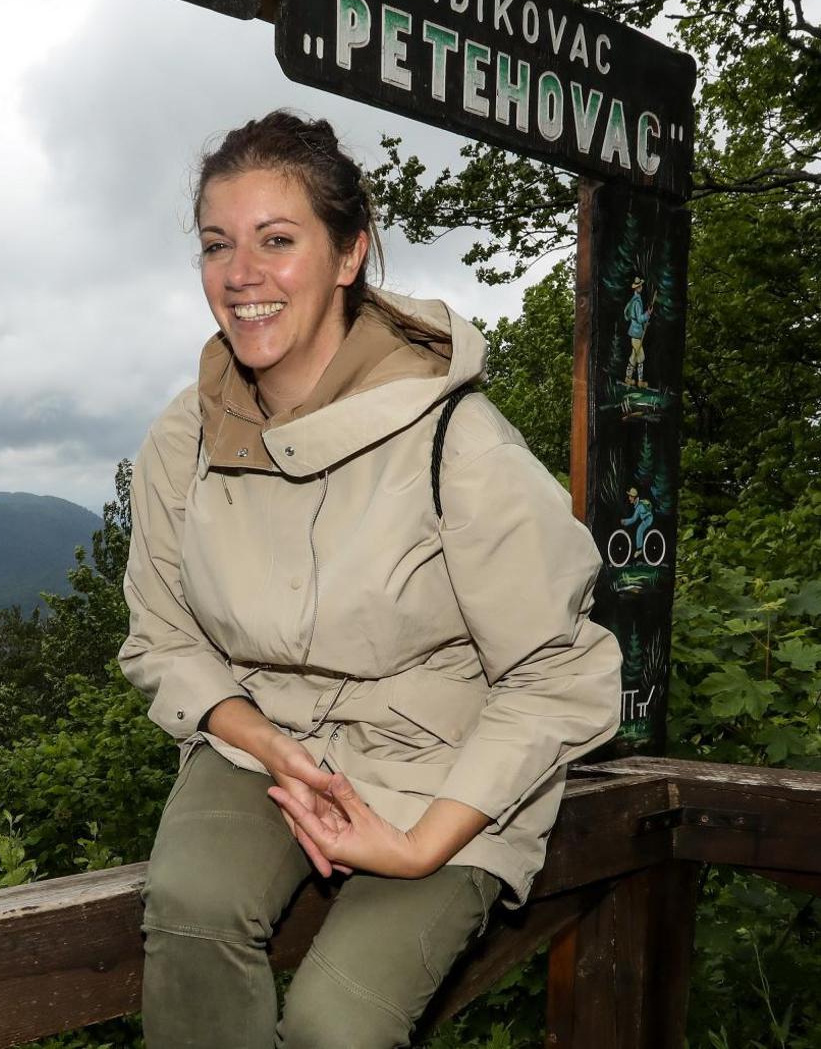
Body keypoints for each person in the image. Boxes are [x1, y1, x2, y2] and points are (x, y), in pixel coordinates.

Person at [118, 110, 622, 1048]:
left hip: (448, 760)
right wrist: (264, 742)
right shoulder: (181, 440)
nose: (240, 275)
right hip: (261, 737)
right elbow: (163, 635)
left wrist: (422, 842)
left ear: (349, 255)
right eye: (217, 245)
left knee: (336, 1024)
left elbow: (559, 674)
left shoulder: (453, 441)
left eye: (278, 240)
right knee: (189, 910)